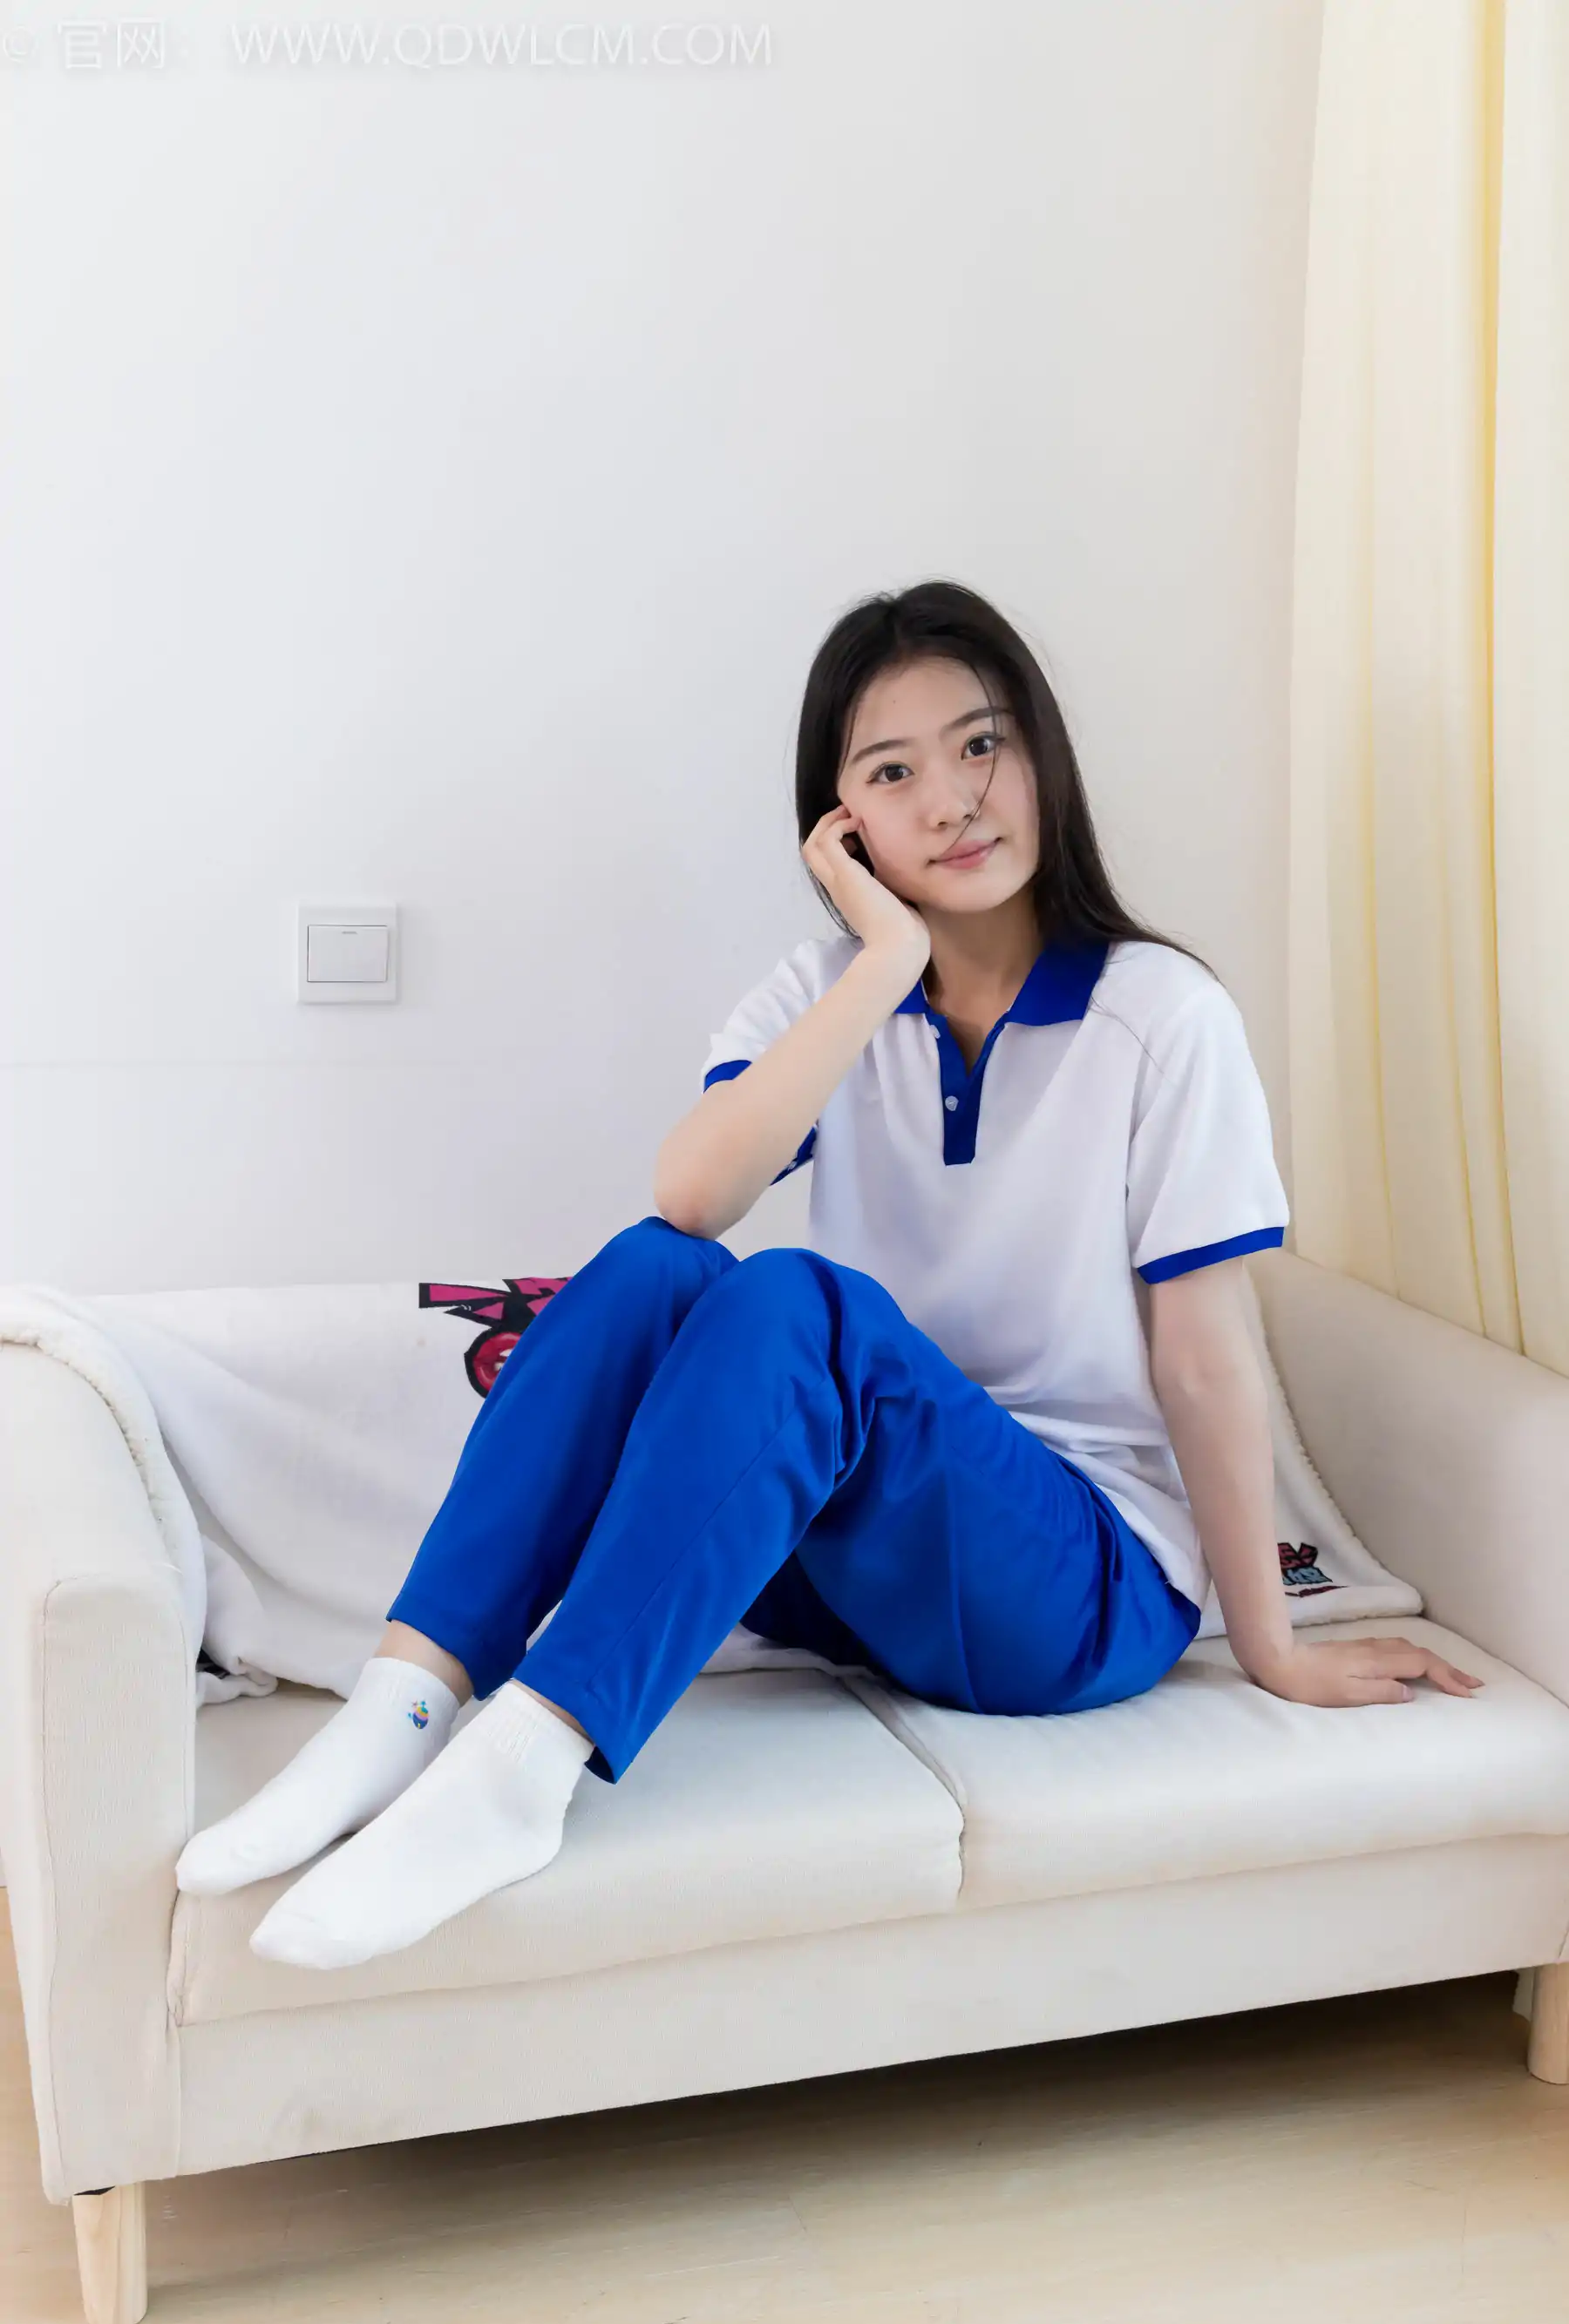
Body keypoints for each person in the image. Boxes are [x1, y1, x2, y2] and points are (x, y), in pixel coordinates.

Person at [177, 579, 1482, 1968]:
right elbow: (691, 1197)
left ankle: (525, 1765)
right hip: (862, 1559)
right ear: (840, 823)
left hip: (1078, 1580)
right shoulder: (826, 992)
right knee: (658, 1270)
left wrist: (1271, 1644)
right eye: (893, 771)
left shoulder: (1163, 1016)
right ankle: (404, 1706)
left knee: (801, 1302)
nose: (953, 800)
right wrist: (887, 963)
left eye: (980, 744)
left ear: (1042, 753)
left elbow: (1207, 1358)